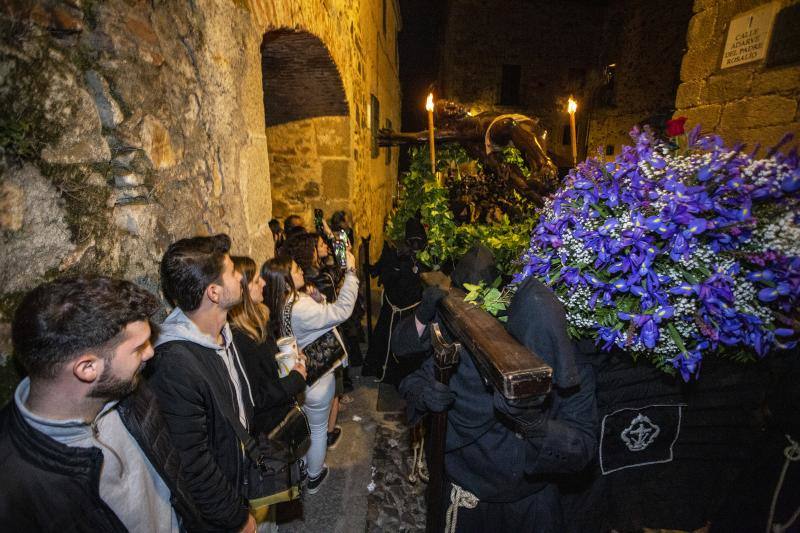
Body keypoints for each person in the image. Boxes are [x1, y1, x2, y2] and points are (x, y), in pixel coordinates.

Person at [393, 253, 598, 533]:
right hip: (471, 501)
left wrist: (536, 426)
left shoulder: (571, 367)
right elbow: (412, 379)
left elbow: (583, 446)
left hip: (532, 505)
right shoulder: (480, 346)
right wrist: (426, 394)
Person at [0, 276, 203, 532]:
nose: (150, 353)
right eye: (138, 348)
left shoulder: (130, 390)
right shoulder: (13, 488)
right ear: (87, 368)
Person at [147, 234, 257, 533]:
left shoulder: (223, 332)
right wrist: (236, 517)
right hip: (217, 517)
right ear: (214, 292)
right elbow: (194, 466)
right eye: (233, 272)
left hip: (239, 486)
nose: (240, 278)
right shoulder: (174, 366)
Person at [262, 251, 358, 495]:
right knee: (317, 428)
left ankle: (304, 466)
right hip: (318, 380)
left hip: (298, 376)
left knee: (306, 424)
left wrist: (318, 299)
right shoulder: (300, 306)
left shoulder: (280, 303)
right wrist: (352, 273)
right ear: (285, 280)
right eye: (295, 269)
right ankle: (314, 476)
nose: (301, 271)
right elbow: (342, 312)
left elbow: (319, 319)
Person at [228, 256, 308, 531]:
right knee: (263, 513)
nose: (262, 282)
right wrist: (295, 380)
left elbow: (266, 371)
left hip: (275, 425)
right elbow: (256, 397)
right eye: (254, 281)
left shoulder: (256, 322)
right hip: (264, 433)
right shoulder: (239, 338)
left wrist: (290, 362)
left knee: (272, 506)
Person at [363, 215, 428, 383]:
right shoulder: (394, 252)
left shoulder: (424, 257)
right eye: (412, 241)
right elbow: (386, 276)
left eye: (419, 242)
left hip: (410, 311)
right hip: (393, 311)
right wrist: (397, 265)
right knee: (386, 341)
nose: (415, 246)